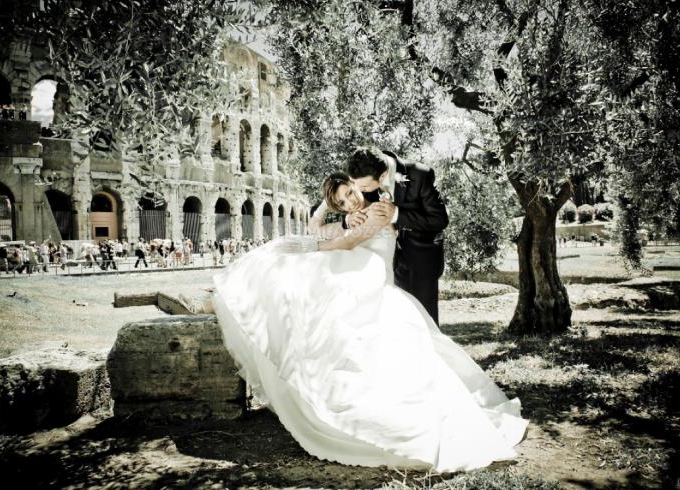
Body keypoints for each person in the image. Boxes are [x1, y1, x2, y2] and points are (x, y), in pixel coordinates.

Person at [208, 172, 527, 473]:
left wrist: (313, 244)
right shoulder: (353, 215)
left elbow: (345, 243)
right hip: (360, 281)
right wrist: (330, 203)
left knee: (305, 273)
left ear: (357, 183)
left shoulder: (380, 208)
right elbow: (315, 225)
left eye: (349, 193)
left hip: (374, 282)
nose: (349, 202)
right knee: (304, 296)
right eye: (343, 202)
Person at [345, 147, 448, 325]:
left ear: (383, 175)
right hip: (389, 261)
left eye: (364, 187)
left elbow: (440, 219)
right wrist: (349, 218)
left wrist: (397, 215)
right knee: (399, 321)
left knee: (425, 320)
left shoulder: (420, 175)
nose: (359, 191)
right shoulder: (365, 178)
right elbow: (352, 204)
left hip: (423, 259)